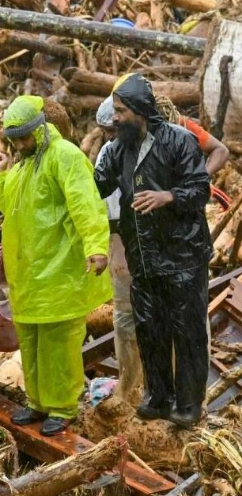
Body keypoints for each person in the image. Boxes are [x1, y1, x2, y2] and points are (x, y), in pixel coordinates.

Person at [0, 95, 112, 436]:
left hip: (58, 270)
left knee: (59, 343)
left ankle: (63, 406)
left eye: (25, 138)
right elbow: (10, 207)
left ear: (40, 130)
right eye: (15, 140)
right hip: (28, 272)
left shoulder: (65, 156)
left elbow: (86, 204)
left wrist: (96, 246)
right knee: (30, 340)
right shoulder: (24, 164)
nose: (20, 145)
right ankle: (38, 402)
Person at [95, 74, 212, 428]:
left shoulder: (179, 141)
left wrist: (168, 196)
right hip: (143, 258)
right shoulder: (118, 150)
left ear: (140, 111)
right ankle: (157, 396)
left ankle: (189, 403)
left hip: (182, 258)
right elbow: (94, 185)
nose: (115, 118)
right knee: (150, 329)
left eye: (120, 111)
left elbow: (200, 189)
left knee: (187, 332)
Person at [95, 96, 143, 403]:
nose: (111, 138)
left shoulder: (152, 148)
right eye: (107, 133)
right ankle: (129, 387)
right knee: (125, 317)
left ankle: (158, 388)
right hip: (118, 242)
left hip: (149, 243)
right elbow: (96, 200)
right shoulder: (107, 155)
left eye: (115, 131)